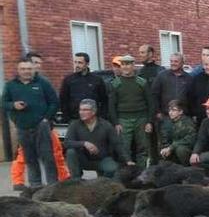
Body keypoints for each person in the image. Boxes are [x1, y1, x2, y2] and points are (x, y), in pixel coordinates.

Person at [2, 58, 59, 187]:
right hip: (22, 126)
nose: (26, 71)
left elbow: (54, 102)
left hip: (42, 126)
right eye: (23, 69)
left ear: (33, 69)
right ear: (18, 70)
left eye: (29, 69)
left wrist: (46, 119)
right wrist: (13, 105)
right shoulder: (10, 85)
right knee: (30, 158)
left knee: (48, 157)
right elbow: (3, 103)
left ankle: (53, 186)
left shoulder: (43, 83)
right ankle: (35, 185)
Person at [64, 99, 133, 179]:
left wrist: (128, 160)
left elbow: (117, 144)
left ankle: (102, 181)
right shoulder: (74, 124)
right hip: (83, 159)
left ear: (94, 112)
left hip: (102, 158)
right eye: (80, 110)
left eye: (85, 110)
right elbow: (67, 143)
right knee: (70, 152)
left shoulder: (106, 125)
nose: (81, 112)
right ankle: (76, 181)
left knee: (113, 169)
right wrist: (84, 143)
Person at [109, 55, 153, 168]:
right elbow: (112, 106)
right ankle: (126, 174)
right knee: (124, 148)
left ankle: (141, 173)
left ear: (133, 65)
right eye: (123, 64)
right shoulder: (115, 84)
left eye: (128, 64)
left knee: (143, 148)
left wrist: (149, 121)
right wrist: (116, 123)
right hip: (123, 120)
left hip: (141, 118)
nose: (125, 67)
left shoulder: (142, 82)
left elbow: (151, 103)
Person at [60, 52, 108, 121]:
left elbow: (104, 100)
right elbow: (63, 100)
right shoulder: (68, 80)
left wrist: (102, 117)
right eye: (75, 62)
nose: (77, 65)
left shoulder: (97, 80)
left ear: (87, 64)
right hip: (75, 119)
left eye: (80, 63)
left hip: (93, 120)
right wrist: (67, 117)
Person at [158, 100, 197, 165]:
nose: (170, 112)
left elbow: (190, 139)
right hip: (171, 151)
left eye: (174, 110)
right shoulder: (166, 123)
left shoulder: (188, 122)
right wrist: (165, 149)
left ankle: (187, 167)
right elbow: (164, 139)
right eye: (170, 110)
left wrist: (171, 147)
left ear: (181, 112)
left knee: (180, 150)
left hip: (185, 150)